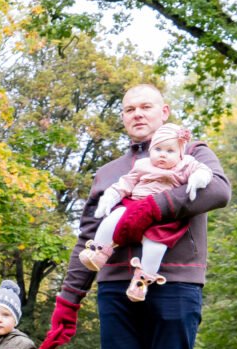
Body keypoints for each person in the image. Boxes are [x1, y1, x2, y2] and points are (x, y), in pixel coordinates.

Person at [38, 84, 230, 349]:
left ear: (164, 111)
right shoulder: (110, 172)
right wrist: (68, 300)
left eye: (146, 106)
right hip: (115, 287)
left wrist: (152, 207)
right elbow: (89, 238)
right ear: (123, 117)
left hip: (174, 284)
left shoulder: (191, 152)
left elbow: (219, 191)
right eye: (129, 109)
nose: (137, 114)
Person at [78, 123, 214, 301]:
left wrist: (198, 178)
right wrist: (111, 195)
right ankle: (99, 251)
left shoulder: (185, 164)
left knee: (156, 246)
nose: (163, 154)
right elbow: (126, 182)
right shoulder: (143, 165)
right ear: (151, 150)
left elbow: (204, 170)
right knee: (112, 219)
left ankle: (141, 281)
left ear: (180, 153)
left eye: (170, 151)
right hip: (134, 203)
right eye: (158, 149)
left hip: (164, 215)